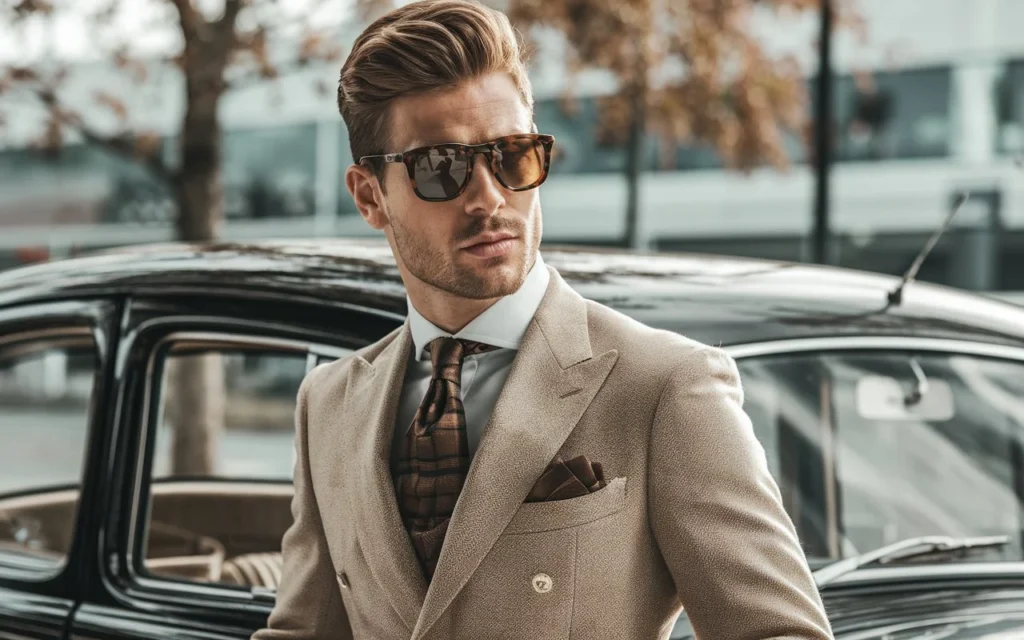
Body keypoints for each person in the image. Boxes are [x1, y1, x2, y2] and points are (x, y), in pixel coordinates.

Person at [252, 1, 833, 638]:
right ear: (370, 197)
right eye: (440, 168)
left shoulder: (665, 386)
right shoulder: (329, 405)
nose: (489, 197)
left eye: (513, 156)